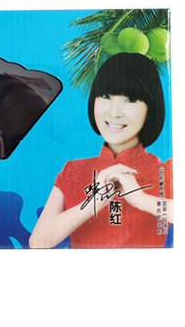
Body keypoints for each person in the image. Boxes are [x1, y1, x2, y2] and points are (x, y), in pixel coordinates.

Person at [29, 53, 173, 248]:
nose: (114, 112)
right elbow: (38, 243)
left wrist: (141, 199)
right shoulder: (73, 170)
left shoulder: (167, 170)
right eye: (105, 96)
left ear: (151, 108)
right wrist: (93, 202)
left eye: (130, 99)